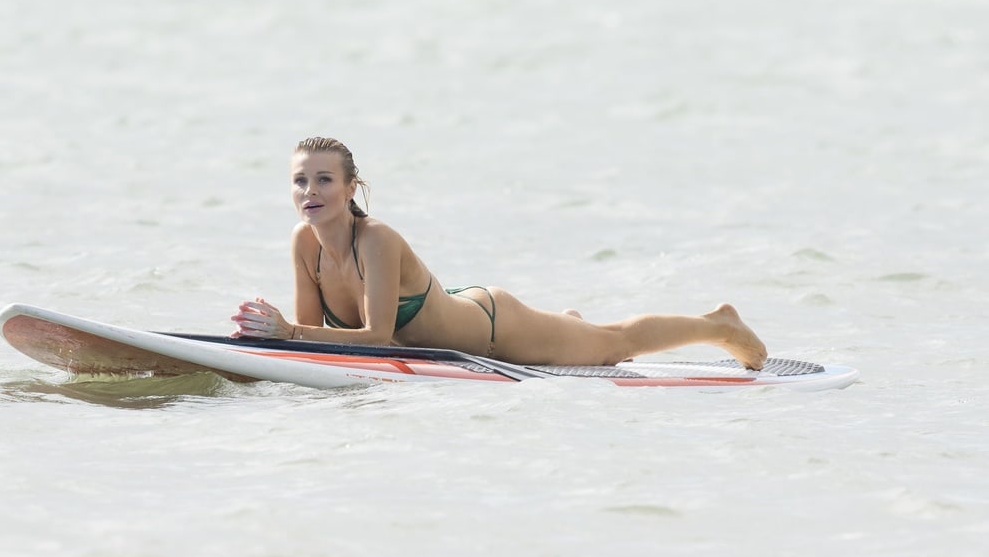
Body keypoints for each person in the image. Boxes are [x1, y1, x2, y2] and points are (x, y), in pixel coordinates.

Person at [231, 137, 768, 369]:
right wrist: (272, 337)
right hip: (455, 316)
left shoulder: (378, 241)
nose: (311, 192)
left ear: (351, 188)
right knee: (585, 338)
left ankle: (720, 325)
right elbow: (307, 339)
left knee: (614, 346)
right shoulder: (303, 244)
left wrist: (288, 334)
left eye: (324, 180)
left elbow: (371, 337)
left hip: (493, 328)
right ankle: (564, 325)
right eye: (300, 181)